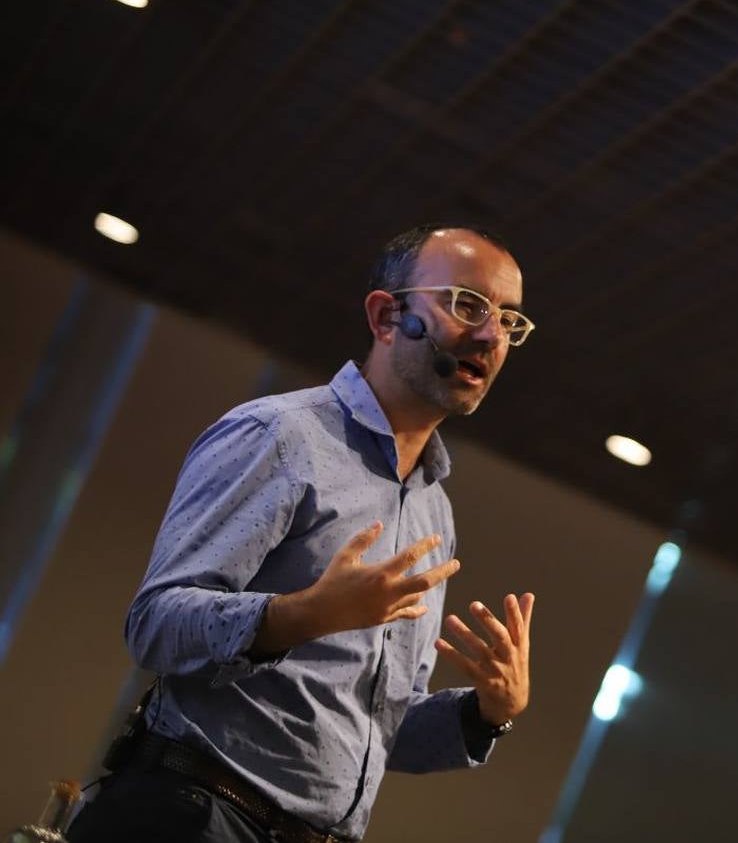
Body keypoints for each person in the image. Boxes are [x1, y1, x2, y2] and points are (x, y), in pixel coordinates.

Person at [68, 226, 538, 843]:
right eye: (468, 305)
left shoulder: (434, 513)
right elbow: (155, 624)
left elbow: (376, 728)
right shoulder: (280, 436)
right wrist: (300, 616)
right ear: (386, 315)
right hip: (196, 815)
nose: (490, 334)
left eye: (509, 320)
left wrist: (489, 715)